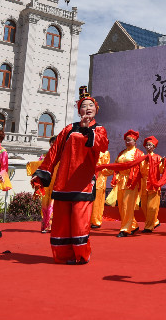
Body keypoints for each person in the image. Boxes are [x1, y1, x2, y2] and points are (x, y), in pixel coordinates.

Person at [31, 90, 109, 264]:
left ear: (96, 110)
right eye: (84, 106)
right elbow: (54, 152)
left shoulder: (98, 129)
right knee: (61, 223)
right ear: (79, 111)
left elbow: (102, 145)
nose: (87, 108)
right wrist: (42, 174)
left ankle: (81, 255)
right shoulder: (68, 129)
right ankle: (63, 255)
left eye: (91, 106)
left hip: (83, 183)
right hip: (63, 183)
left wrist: (87, 130)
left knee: (80, 223)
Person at [113, 129, 144, 237]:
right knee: (121, 206)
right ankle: (133, 225)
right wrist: (102, 169)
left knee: (127, 205)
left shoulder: (139, 153)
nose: (127, 142)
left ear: (135, 141)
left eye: (129, 140)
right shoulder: (121, 153)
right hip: (121, 181)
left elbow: (143, 168)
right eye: (126, 140)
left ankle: (125, 229)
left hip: (131, 182)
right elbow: (115, 166)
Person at [140, 136, 164, 233]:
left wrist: (163, 163)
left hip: (154, 184)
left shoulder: (158, 157)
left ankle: (148, 227)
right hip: (144, 184)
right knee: (144, 206)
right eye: (147, 145)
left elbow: (161, 170)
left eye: (150, 145)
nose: (148, 147)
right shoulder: (143, 158)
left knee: (152, 207)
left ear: (154, 147)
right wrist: (145, 162)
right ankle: (155, 221)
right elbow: (141, 171)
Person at [90, 145, 110, 229]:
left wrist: (99, 168)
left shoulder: (105, 153)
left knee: (97, 201)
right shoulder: (90, 151)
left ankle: (96, 220)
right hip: (90, 178)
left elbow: (106, 167)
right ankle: (88, 219)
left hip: (99, 179)